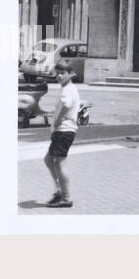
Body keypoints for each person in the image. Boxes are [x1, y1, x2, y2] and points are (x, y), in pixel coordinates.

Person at [44, 60, 81, 208]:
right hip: (64, 130)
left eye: (62, 73)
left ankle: (65, 197)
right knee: (48, 160)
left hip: (64, 130)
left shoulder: (67, 89)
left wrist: (58, 120)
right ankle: (60, 191)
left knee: (59, 162)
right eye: (57, 73)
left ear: (71, 74)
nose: (59, 76)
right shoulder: (68, 88)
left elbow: (65, 105)